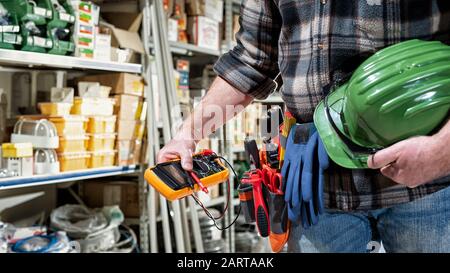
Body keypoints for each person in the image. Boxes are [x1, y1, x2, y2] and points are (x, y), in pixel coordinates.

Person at [158, 0, 450, 252]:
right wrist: (189, 133)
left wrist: (441, 150)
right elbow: (250, 61)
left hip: (425, 181)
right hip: (316, 186)